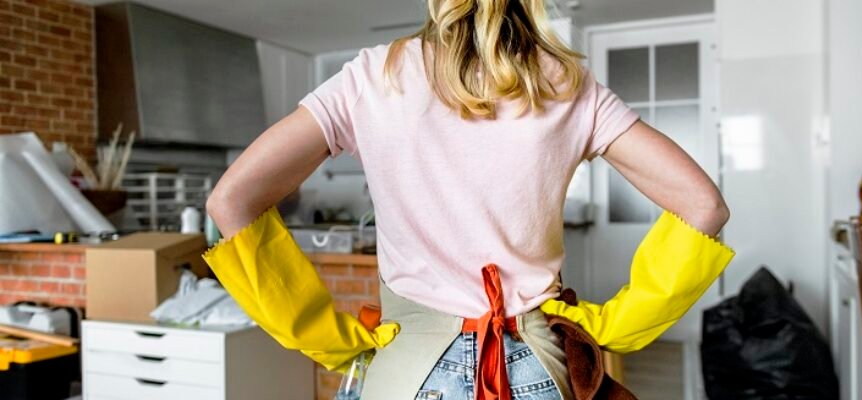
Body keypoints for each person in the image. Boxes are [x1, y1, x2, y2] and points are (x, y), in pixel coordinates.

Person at [205, 0, 730, 399]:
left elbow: (232, 201)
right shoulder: (567, 86)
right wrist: (617, 324)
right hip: (536, 366)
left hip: (407, 373)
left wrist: (328, 336)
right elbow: (703, 205)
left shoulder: (370, 77)